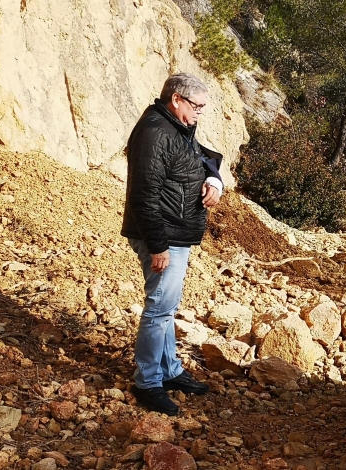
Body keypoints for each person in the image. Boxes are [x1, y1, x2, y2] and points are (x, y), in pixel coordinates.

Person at [121, 73, 222, 415]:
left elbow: (203, 156)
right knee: (159, 309)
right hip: (162, 235)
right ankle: (148, 382)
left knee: (166, 309)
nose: (200, 113)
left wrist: (213, 179)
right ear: (176, 99)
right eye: (197, 106)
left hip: (174, 232)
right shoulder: (154, 133)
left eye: (203, 107)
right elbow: (143, 196)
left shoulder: (176, 126)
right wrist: (158, 246)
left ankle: (169, 370)